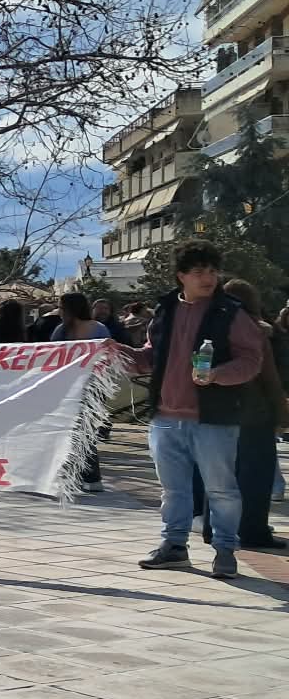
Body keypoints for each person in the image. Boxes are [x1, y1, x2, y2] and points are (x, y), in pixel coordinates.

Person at [121, 241, 265, 579]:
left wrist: (217, 375)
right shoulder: (166, 310)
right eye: (199, 272)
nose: (208, 278)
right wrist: (121, 356)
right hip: (165, 417)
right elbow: (152, 354)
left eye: (213, 271)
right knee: (173, 489)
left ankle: (226, 549)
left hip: (213, 418)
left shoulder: (230, 311)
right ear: (181, 276)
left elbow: (251, 360)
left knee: (221, 489)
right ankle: (174, 546)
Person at [218, 280, 287, 551]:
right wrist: (282, 414)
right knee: (256, 475)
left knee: (221, 475)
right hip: (255, 412)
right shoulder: (258, 330)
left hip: (218, 411)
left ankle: (218, 528)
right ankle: (253, 529)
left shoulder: (214, 327)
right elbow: (269, 377)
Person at [51, 291, 114, 494]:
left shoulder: (93, 330)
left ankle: (89, 476)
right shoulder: (64, 330)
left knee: (82, 432)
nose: (59, 311)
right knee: (77, 432)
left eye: (61, 307)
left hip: (87, 387)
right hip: (77, 388)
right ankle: (81, 475)